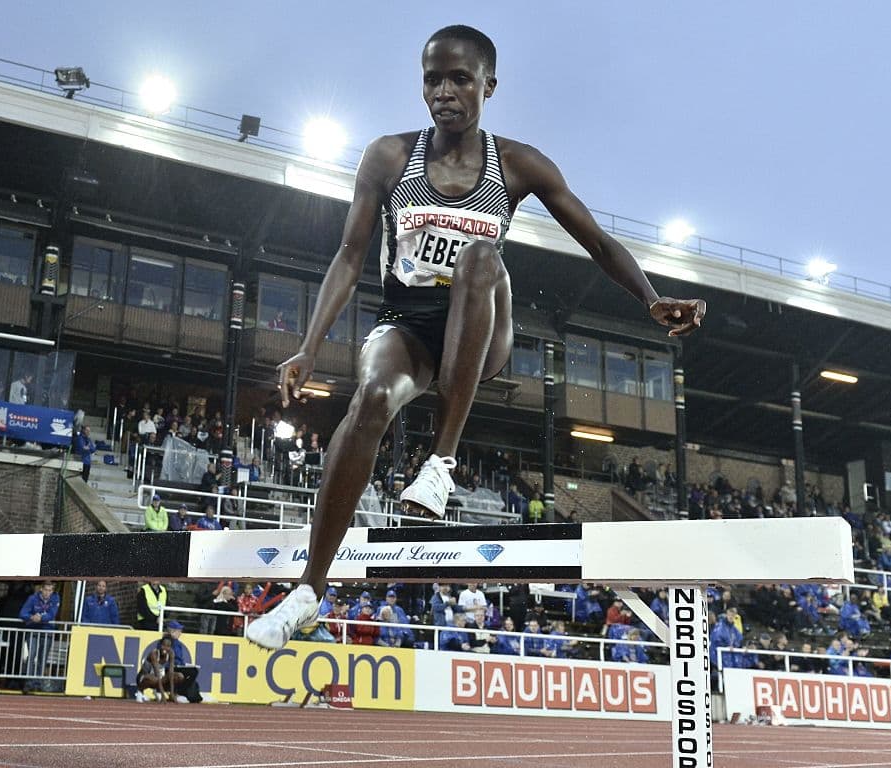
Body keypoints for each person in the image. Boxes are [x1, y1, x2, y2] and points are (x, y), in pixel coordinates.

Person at [246, 25, 705, 650]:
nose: (444, 92)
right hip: (408, 325)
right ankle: (308, 590)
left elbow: (596, 241)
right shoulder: (387, 157)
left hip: (482, 323)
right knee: (372, 398)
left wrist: (651, 300)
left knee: (480, 257)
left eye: (459, 78)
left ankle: (441, 462)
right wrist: (307, 343)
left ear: (488, 85)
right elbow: (351, 255)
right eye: (432, 79)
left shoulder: (517, 165)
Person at [20, 581, 60, 678]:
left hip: (47, 632)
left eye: (50, 590)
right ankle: (29, 680)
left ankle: (38, 681)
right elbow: (22, 613)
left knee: (43, 658)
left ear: (52, 591)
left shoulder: (55, 598)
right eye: (46, 590)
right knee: (31, 655)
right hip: (33, 631)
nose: (47, 593)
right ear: (41, 589)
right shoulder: (32, 598)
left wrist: (40, 618)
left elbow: (52, 614)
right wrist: (31, 617)